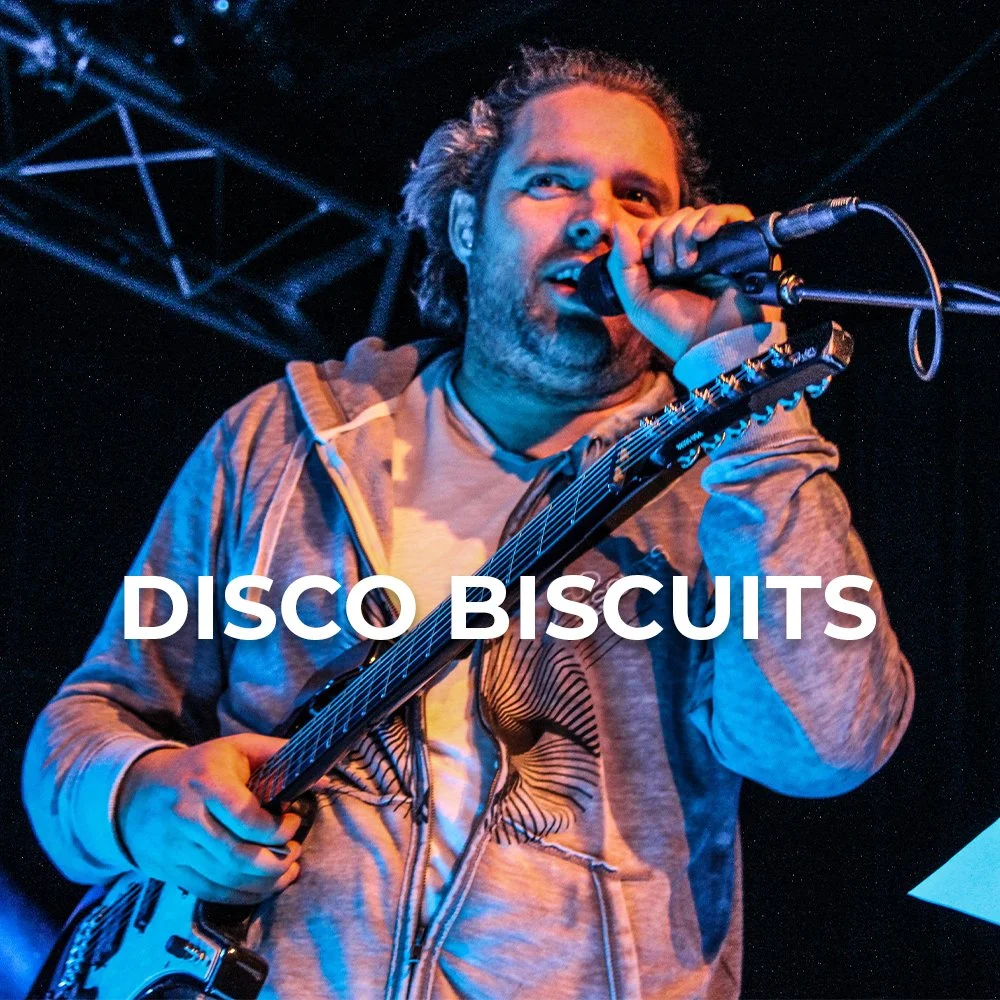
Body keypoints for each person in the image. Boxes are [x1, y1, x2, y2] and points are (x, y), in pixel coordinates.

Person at [23, 45, 913, 999]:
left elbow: (827, 746)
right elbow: (87, 721)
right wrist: (137, 795)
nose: (598, 222)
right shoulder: (284, 438)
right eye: (550, 183)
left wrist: (748, 403)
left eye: (638, 198)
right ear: (463, 223)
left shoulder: (727, 489)